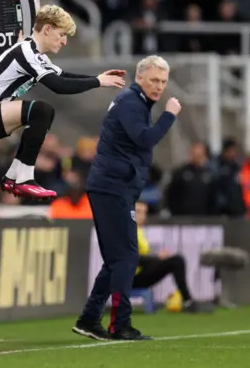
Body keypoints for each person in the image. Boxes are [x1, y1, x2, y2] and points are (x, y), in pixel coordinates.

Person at [0, 4, 126, 200]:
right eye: (62, 34)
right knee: (41, 110)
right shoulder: (26, 51)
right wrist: (97, 81)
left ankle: (15, 176)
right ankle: (20, 177)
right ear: (47, 29)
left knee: (40, 112)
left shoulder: (35, 55)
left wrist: (98, 78)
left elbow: (64, 75)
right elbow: (58, 85)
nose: (64, 41)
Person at [72, 55, 181, 341]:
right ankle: (120, 324)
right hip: (112, 187)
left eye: (163, 82)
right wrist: (169, 115)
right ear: (140, 78)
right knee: (127, 256)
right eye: (154, 80)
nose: (159, 87)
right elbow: (144, 139)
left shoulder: (135, 102)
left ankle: (89, 319)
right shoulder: (132, 102)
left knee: (116, 260)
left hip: (114, 186)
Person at [132, 200, 207, 314]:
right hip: (130, 278)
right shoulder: (128, 232)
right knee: (176, 261)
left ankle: (187, 301)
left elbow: (141, 257)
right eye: (138, 212)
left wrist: (157, 257)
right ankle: (188, 301)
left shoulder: (138, 230)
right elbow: (133, 259)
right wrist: (157, 258)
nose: (142, 215)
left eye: (144, 212)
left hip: (139, 273)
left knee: (175, 261)